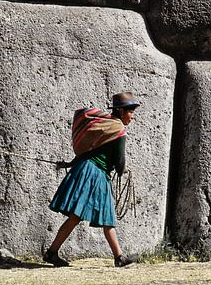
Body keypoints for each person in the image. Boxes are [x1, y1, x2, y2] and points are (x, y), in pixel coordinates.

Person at [43, 92, 139, 268]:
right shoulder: (118, 130)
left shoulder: (104, 126)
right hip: (95, 174)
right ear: (120, 110)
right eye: (130, 111)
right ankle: (118, 257)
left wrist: (71, 163)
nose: (132, 117)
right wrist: (124, 169)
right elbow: (119, 163)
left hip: (86, 170)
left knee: (82, 216)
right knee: (94, 216)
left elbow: (89, 151)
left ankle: (53, 252)